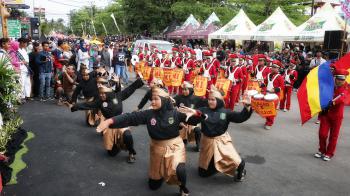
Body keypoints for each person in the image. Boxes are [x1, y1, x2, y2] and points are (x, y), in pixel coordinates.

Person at [97, 87, 194, 195]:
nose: (152, 101)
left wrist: (198, 114)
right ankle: (160, 173)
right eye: (152, 99)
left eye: (156, 99)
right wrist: (110, 121)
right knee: (153, 186)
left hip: (175, 146)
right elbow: (130, 117)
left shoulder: (175, 113)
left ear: (164, 99)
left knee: (180, 170)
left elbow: (194, 119)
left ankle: (183, 188)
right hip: (157, 149)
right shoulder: (149, 114)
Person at [178, 86, 252, 181]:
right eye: (209, 99)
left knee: (236, 162)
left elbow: (240, 117)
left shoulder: (225, 112)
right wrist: (183, 117)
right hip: (207, 142)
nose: (210, 101)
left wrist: (247, 107)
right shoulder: (203, 110)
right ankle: (216, 166)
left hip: (221, 141)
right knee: (202, 173)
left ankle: (240, 169)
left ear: (219, 101)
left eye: (213, 99)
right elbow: (193, 120)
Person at [71, 77, 144, 162]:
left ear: (108, 93)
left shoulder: (118, 96)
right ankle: (118, 143)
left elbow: (130, 89)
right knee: (111, 154)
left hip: (121, 121)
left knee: (127, 135)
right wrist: (75, 106)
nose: (101, 95)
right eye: (100, 93)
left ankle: (131, 152)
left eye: (103, 93)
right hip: (109, 125)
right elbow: (88, 105)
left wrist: (139, 81)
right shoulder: (100, 102)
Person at [314, 69, 349, 161]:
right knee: (322, 134)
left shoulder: (347, 87)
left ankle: (329, 153)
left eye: (343, 79)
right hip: (326, 114)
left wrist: (332, 102)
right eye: (339, 79)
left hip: (337, 116)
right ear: (335, 78)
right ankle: (321, 150)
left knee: (334, 136)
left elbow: (343, 97)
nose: (341, 81)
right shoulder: (329, 85)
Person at [174, 82, 205, 151]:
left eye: (186, 89)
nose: (184, 91)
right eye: (183, 89)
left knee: (198, 130)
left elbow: (204, 109)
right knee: (181, 143)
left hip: (192, 121)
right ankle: (182, 140)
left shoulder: (197, 98)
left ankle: (198, 144)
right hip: (181, 121)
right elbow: (172, 103)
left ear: (191, 90)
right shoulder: (179, 97)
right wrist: (174, 107)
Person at [261, 60, 284, 130]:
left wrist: (275, 89)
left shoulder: (279, 77)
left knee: (271, 109)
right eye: (272, 67)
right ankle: (267, 120)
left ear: (278, 68)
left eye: (275, 67)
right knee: (267, 108)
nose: (273, 68)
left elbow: (281, 87)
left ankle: (270, 123)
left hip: (275, 95)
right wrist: (261, 85)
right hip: (267, 94)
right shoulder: (268, 75)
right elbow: (265, 83)